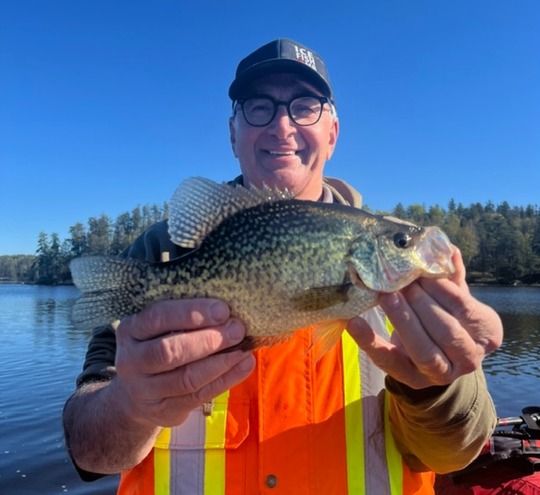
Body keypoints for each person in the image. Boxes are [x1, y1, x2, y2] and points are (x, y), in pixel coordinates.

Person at [63, 38, 503, 495]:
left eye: (305, 106)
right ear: (233, 132)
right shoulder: (159, 253)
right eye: (259, 107)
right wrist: (130, 405)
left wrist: (436, 386)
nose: (282, 126)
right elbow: (91, 454)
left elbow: (454, 455)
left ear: (333, 131)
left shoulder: (411, 271)